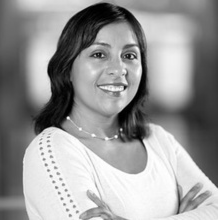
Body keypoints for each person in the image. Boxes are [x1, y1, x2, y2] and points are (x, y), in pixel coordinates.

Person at [23, 2, 218, 220]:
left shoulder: (159, 140)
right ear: (67, 68)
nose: (118, 69)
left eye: (129, 55)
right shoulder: (52, 150)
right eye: (99, 54)